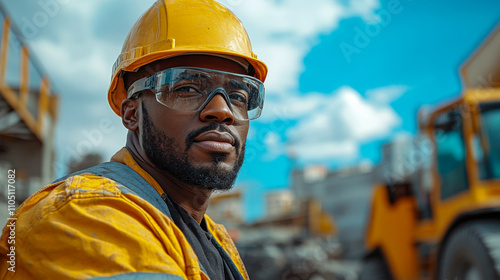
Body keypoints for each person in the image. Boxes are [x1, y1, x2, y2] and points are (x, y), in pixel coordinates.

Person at [0, 0, 267, 279]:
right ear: (131, 114)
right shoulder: (87, 212)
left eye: (238, 96)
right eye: (187, 88)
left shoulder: (218, 241)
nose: (222, 111)